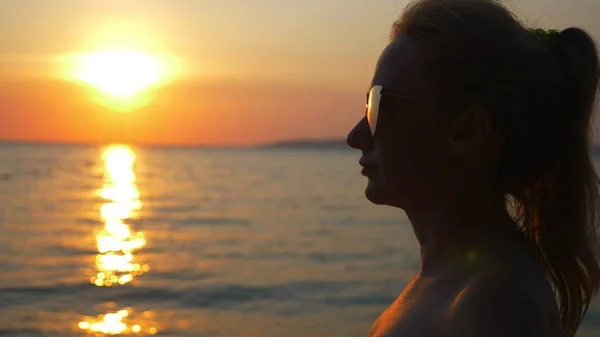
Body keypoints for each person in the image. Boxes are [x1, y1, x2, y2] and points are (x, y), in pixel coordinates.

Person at [346, 0, 600, 336]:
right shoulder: (457, 285)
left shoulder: (493, 308)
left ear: (466, 132)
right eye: (367, 104)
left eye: (378, 105)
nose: (355, 136)